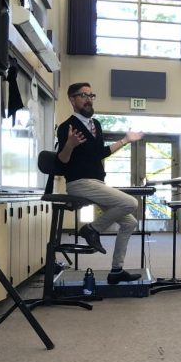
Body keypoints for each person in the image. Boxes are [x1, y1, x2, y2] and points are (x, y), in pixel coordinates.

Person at [56, 82, 144, 284]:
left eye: (91, 95)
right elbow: (62, 162)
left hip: (96, 183)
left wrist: (125, 140)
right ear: (72, 99)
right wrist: (69, 145)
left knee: (130, 222)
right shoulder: (66, 127)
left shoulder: (96, 125)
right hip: (78, 182)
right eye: (83, 95)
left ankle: (116, 271)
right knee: (131, 203)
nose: (88, 99)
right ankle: (92, 229)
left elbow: (100, 153)